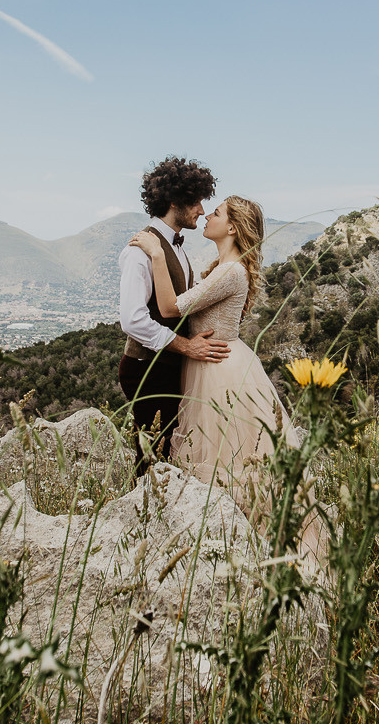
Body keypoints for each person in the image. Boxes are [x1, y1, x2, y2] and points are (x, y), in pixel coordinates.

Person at [131, 194, 293, 507]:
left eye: (216, 213)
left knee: (223, 455)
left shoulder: (230, 271)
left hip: (218, 370)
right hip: (215, 360)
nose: (207, 216)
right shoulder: (224, 267)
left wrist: (157, 254)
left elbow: (169, 307)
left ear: (232, 228)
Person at [117, 157, 229, 474]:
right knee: (150, 456)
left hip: (167, 367)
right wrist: (185, 346)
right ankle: (142, 517)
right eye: (195, 201)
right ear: (173, 200)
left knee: (165, 453)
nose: (202, 210)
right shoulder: (140, 250)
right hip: (145, 369)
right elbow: (133, 319)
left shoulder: (175, 246)